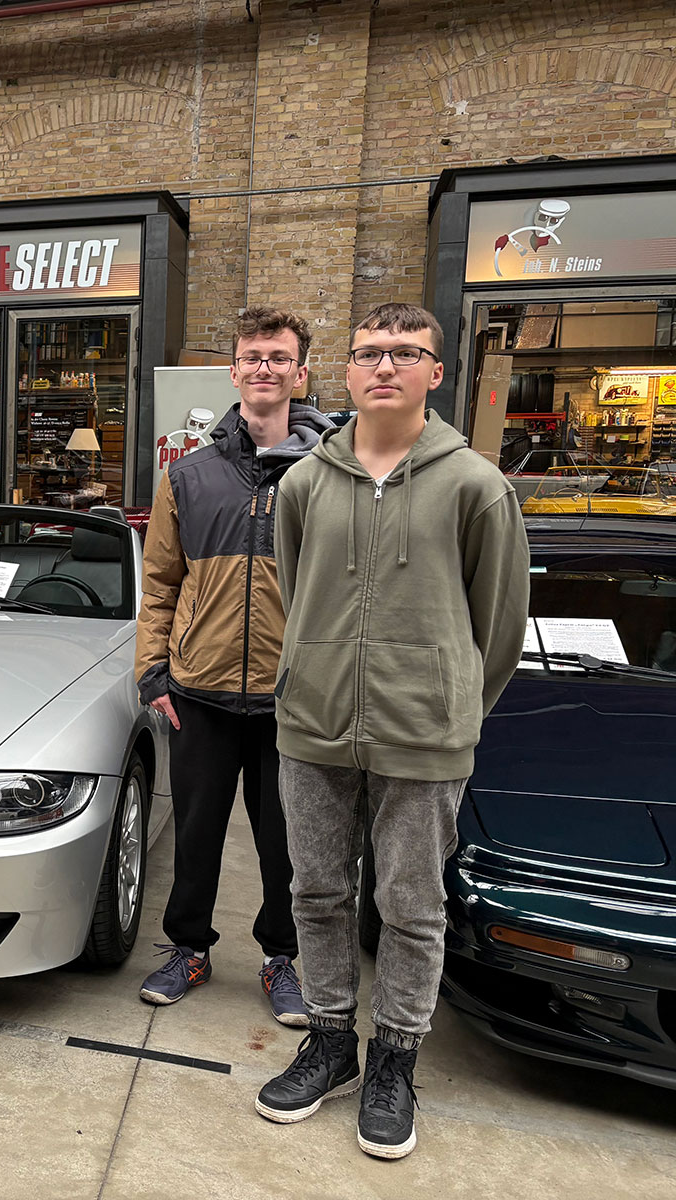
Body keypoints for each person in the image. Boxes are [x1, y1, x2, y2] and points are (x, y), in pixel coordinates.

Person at [256, 303, 529, 1159]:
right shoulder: (304, 484)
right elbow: (297, 592)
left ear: (435, 373)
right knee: (316, 892)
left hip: (424, 735)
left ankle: (397, 1057)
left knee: (411, 906)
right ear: (345, 370)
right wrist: (316, 675)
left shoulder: (477, 486)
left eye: (406, 353)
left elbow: (499, 625)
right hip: (314, 725)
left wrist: (450, 706)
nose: (385, 366)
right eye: (370, 352)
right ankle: (331, 1039)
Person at [134, 307, 331, 1027]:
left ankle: (281, 958)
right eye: (253, 357)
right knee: (196, 834)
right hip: (201, 692)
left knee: (287, 844)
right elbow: (160, 582)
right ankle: (189, 948)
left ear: (300, 373)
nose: (264, 368)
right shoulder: (188, 476)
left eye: (278, 358)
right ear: (234, 371)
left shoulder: (329, 474)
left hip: (293, 699)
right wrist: (153, 673)